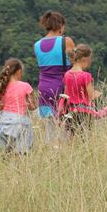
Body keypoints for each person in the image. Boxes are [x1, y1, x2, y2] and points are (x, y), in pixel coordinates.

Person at [34, 11, 74, 142]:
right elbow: (76, 65)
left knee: (49, 128)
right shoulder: (66, 41)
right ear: (60, 26)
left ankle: (50, 156)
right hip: (62, 88)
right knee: (66, 126)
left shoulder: (37, 45)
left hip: (43, 88)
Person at [59, 44, 107, 137]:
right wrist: (99, 93)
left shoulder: (67, 75)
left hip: (71, 112)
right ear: (85, 59)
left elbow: (66, 94)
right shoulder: (86, 76)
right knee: (85, 140)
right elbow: (91, 96)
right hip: (85, 113)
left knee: (72, 140)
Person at [0, 58, 37, 154]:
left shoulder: (1, 86)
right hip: (20, 124)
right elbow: (33, 106)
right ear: (19, 71)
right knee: (22, 155)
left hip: (3, 124)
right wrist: (27, 104)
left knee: (7, 155)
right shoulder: (25, 86)